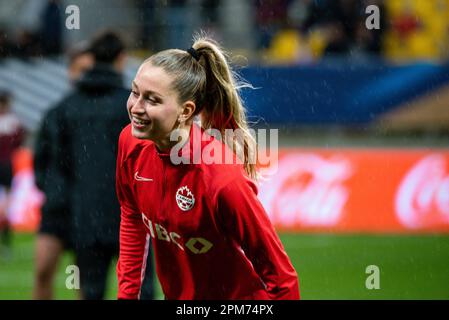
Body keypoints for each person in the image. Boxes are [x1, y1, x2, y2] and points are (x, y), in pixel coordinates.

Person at [116, 35, 300, 299]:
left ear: (186, 110)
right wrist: (127, 295)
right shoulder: (130, 143)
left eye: (152, 100)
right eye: (135, 92)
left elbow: (282, 278)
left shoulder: (222, 179)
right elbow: (132, 213)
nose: (136, 107)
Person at [34, 32, 154, 300]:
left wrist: (66, 201)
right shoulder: (135, 107)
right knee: (141, 290)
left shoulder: (64, 109)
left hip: (85, 218)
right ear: (121, 59)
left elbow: (47, 165)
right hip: (132, 216)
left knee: (90, 292)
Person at [33, 42, 94, 300]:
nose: (83, 76)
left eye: (88, 70)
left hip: (89, 207)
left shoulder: (101, 115)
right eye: (79, 69)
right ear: (69, 72)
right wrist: (53, 189)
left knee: (87, 279)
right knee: (43, 271)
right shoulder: (55, 113)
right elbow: (41, 160)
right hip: (58, 207)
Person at [0, 90, 26, 258]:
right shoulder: (14, 122)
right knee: (5, 208)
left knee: (5, 208)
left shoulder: (13, 121)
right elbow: (18, 141)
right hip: (6, 165)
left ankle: (5, 243)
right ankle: (6, 244)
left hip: (6, 166)